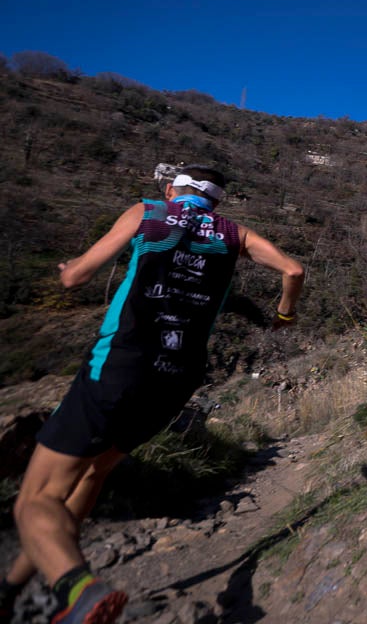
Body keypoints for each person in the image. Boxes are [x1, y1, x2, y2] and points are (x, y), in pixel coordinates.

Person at [1, 165, 304, 624]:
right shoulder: (236, 235)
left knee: (34, 498)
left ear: (171, 190)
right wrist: (283, 316)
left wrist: (69, 268)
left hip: (120, 366)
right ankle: (17, 590)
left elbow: (75, 278)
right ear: (216, 202)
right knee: (92, 476)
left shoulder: (148, 213)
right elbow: (293, 270)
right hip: (176, 378)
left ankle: (79, 591)